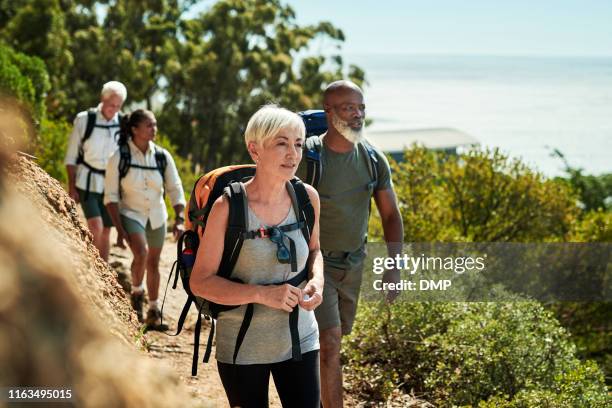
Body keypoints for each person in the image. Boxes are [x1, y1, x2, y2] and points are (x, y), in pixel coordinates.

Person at [190, 105, 324, 408]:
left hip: (301, 338)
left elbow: (315, 251)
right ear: (255, 149)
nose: (293, 154)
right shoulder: (228, 207)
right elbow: (201, 282)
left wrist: (317, 281)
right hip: (242, 345)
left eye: (298, 144)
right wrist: (263, 294)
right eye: (281, 143)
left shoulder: (307, 199)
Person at [296, 80, 404, 408]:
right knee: (329, 344)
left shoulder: (373, 159)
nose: (357, 115)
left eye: (361, 108)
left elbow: (391, 216)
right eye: (348, 108)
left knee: (333, 340)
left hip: (353, 266)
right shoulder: (309, 157)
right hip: (315, 265)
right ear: (329, 112)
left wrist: (394, 267)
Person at [104, 109, 186, 330]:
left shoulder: (162, 156)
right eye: (149, 125)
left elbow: (175, 188)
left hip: (157, 216)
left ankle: (153, 310)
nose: (154, 129)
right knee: (140, 253)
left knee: (154, 262)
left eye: (155, 124)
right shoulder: (120, 157)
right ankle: (137, 297)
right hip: (131, 214)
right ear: (135, 129)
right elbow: (111, 197)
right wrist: (119, 230)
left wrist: (179, 218)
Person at [64, 81, 127, 261]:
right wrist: (71, 186)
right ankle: (88, 265)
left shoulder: (123, 124)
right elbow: (71, 156)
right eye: (110, 105)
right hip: (86, 181)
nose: (113, 109)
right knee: (95, 227)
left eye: (118, 106)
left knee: (107, 231)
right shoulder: (85, 119)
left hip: (111, 185)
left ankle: (102, 272)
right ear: (102, 99)